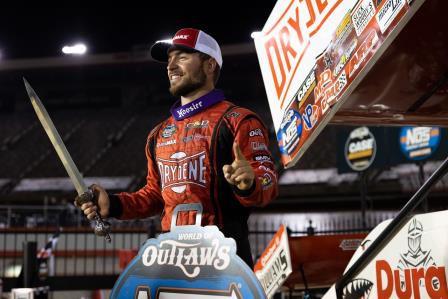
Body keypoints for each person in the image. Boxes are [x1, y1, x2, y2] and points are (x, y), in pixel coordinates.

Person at [77, 28, 278, 267]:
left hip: (224, 258)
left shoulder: (238, 120)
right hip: (171, 256)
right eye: (169, 59)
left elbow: (268, 182)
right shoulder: (158, 134)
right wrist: (114, 203)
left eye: (182, 57)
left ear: (210, 65)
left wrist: (251, 183)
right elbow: (154, 196)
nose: (170, 66)